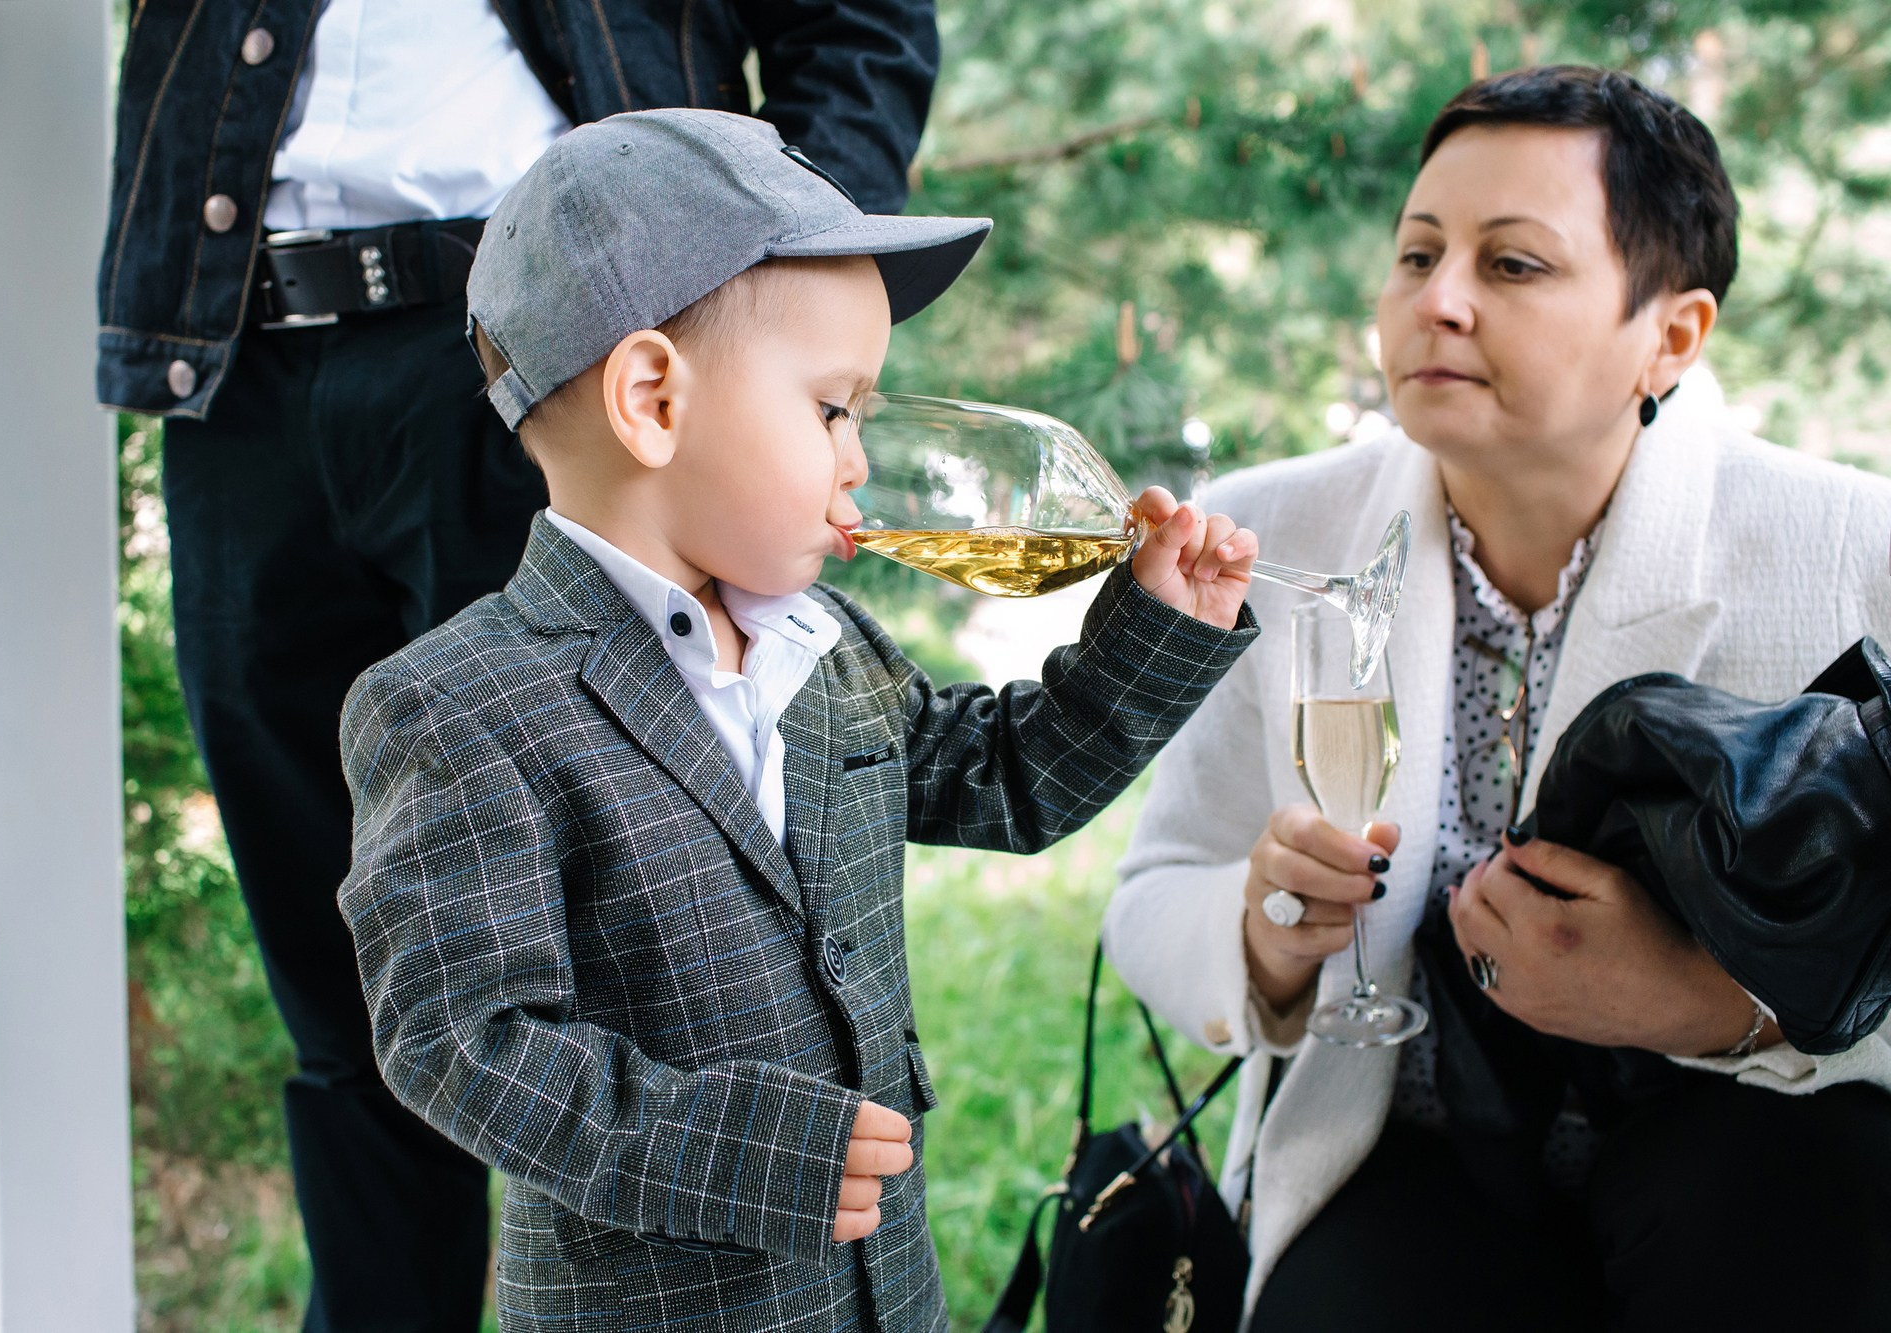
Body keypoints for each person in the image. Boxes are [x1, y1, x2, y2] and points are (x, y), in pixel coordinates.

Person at [337, 108, 1262, 1331]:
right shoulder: (459, 707)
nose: (859, 459)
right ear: (652, 399)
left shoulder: (822, 649)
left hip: (886, 1296)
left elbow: (1004, 776)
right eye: (834, 409)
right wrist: (734, 1149)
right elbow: (460, 1039)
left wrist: (1157, 628)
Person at [95, 4, 936, 1328]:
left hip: (554, 356)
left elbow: (860, 24)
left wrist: (773, 291)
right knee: (350, 1000)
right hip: (240, 366)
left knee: (641, 980)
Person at [1103, 65, 1891, 1331]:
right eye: (1416, 255)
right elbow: (1154, 892)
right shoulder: (1270, 531)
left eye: (1512, 265)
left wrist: (1718, 1005)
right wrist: (1260, 938)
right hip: (1399, 1135)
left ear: (1670, 335)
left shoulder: (1854, 554)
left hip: (1758, 1132)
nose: (1439, 302)